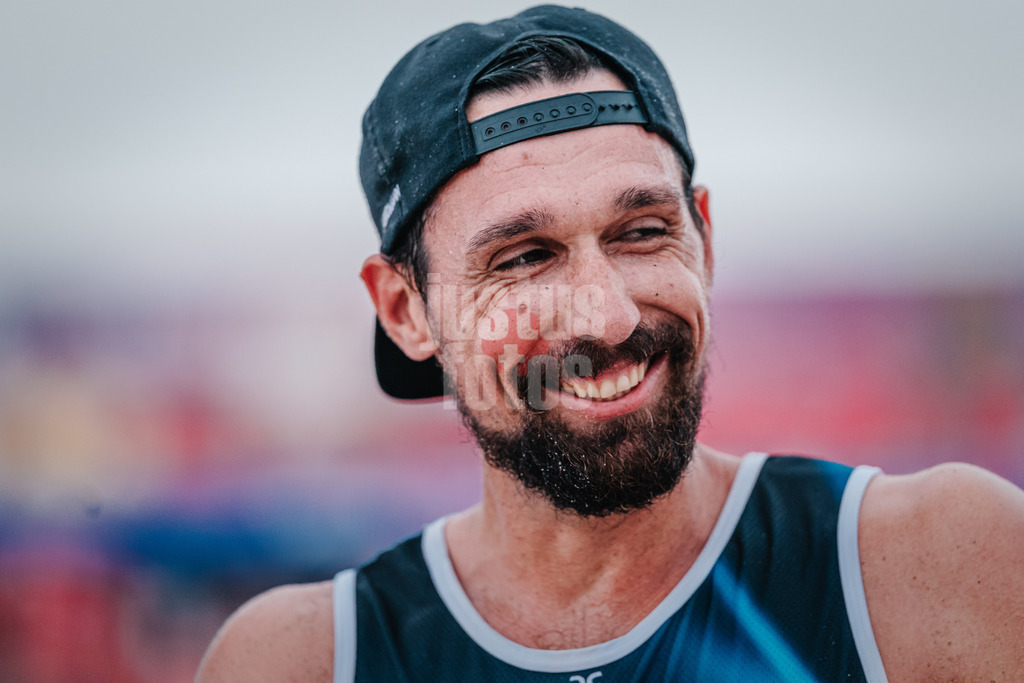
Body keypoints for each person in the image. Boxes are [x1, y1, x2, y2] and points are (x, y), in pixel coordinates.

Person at [198, 6, 1024, 681]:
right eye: (524, 256)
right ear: (407, 310)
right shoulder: (304, 659)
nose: (608, 316)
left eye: (642, 231)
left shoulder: (934, 567)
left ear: (704, 237)